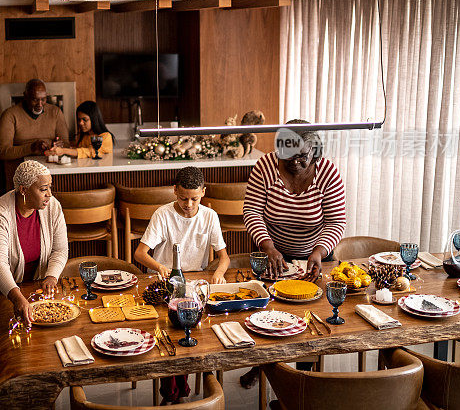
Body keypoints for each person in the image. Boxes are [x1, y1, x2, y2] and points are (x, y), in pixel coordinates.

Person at [239, 119, 346, 388]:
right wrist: (268, 247)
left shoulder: (328, 173)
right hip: (273, 253)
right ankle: (264, 365)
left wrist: (319, 252)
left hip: (314, 256)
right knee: (267, 315)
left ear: (315, 151)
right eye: (287, 155)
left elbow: (336, 221)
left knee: (307, 317)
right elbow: (251, 210)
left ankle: (301, 377)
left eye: (302, 155)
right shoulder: (265, 167)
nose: (295, 162)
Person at [134, 166, 230, 404]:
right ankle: (174, 391)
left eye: (194, 199)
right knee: (173, 329)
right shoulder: (163, 214)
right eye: (183, 198)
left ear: (203, 193)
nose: (188, 204)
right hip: (163, 285)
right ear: (174, 190)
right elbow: (140, 253)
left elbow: (224, 257)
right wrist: (159, 267)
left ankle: (179, 388)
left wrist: (218, 272)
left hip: (193, 284)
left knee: (196, 329)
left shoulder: (209, 216)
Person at [0, 161, 68, 327]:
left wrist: (51, 276)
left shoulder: (53, 206)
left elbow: (60, 250)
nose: (49, 194)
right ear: (23, 190)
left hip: (30, 282)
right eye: (43, 189)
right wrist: (17, 297)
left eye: (50, 187)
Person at [0, 79, 69, 188]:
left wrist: (60, 146)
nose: (40, 104)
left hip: (51, 169)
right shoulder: (10, 115)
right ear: (25, 96)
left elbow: (67, 144)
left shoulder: (55, 112)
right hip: (20, 171)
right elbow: (3, 152)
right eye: (35, 100)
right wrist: (31, 148)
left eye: (43, 99)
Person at [45, 100, 114, 159]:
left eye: (85, 119)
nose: (80, 123)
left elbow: (89, 152)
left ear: (94, 119)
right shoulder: (85, 136)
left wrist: (63, 150)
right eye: (79, 119)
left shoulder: (106, 136)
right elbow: (78, 151)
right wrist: (60, 147)